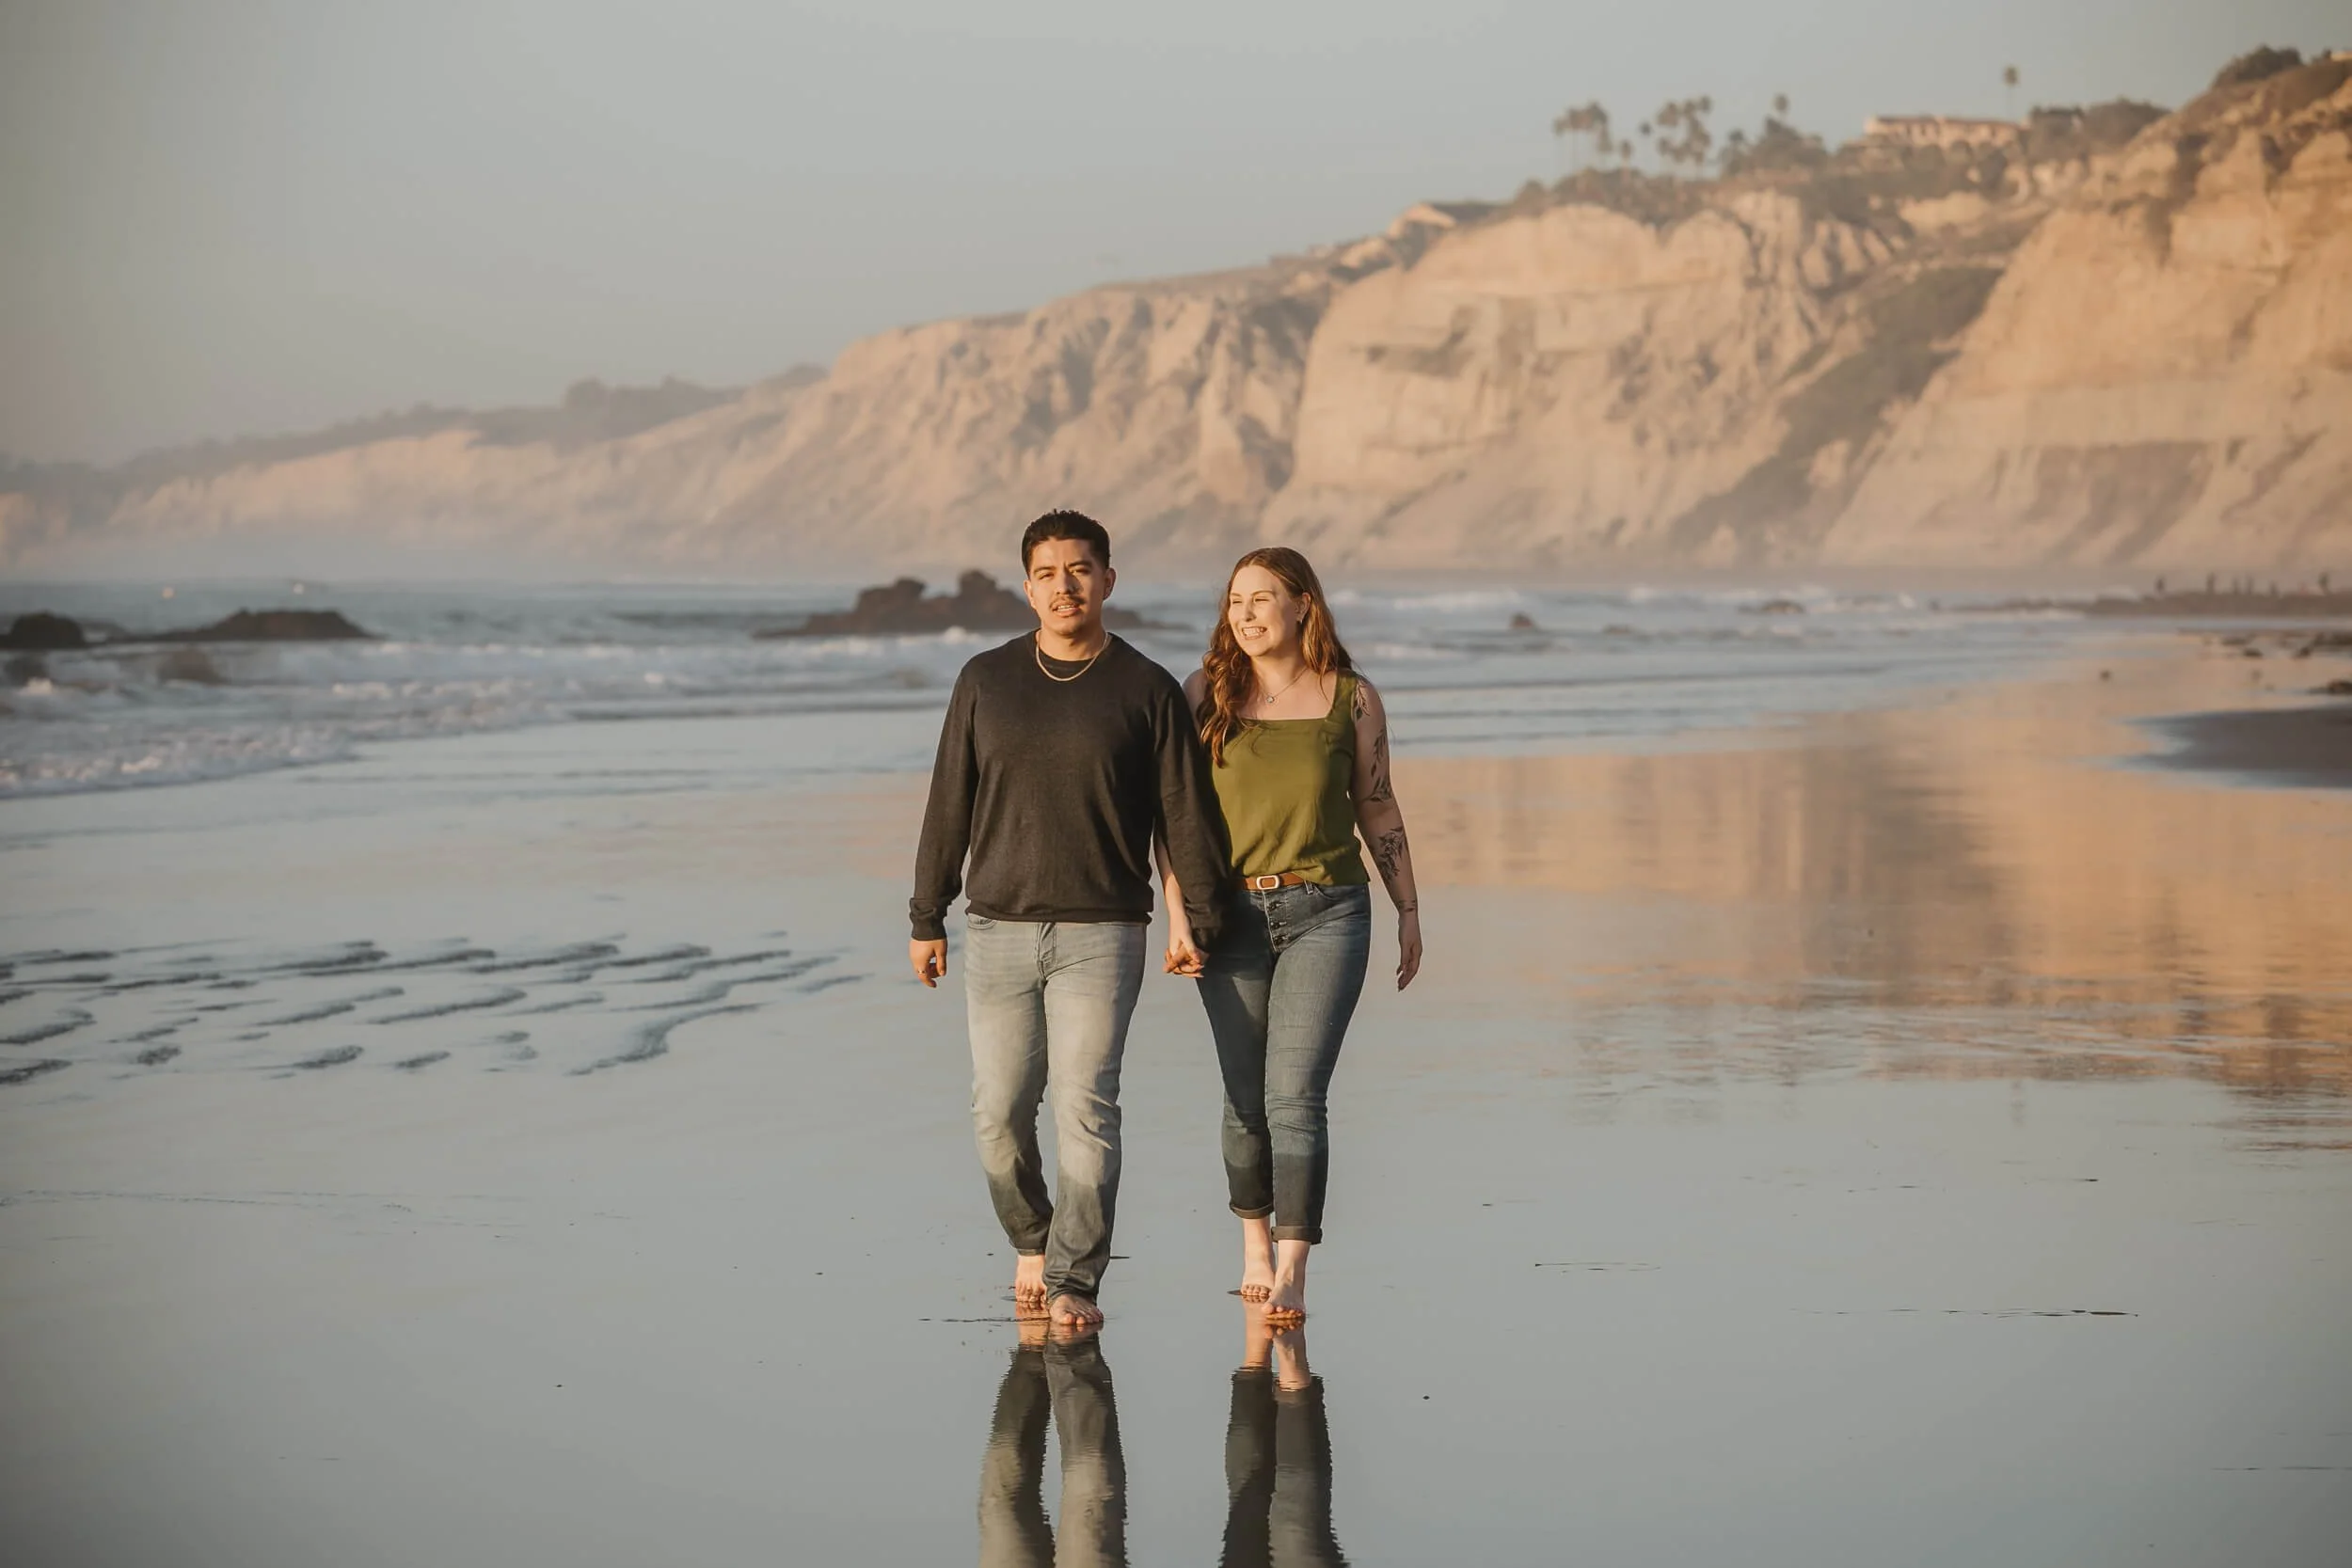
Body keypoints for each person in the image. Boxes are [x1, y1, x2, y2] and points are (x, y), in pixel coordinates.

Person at [911, 509, 1231, 1328]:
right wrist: (926, 913)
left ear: (1109, 580)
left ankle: (1076, 1280)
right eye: (1049, 572)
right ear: (1028, 587)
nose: (1065, 585)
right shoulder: (984, 680)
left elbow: (1183, 815)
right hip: (997, 929)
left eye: (1081, 569)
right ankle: (1033, 1233)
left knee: (1087, 1106)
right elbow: (951, 798)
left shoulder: (1146, 688)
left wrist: (1200, 917)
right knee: (999, 1110)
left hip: (1104, 929)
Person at [1159, 546, 1422, 1321]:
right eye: (1235, 599)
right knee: (1245, 1099)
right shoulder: (1202, 694)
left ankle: (1294, 1265)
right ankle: (1253, 1242)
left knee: (1295, 1095)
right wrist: (1176, 915)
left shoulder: (1353, 698)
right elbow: (1175, 821)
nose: (1244, 613)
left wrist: (1409, 906)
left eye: (1262, 597)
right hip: (1224, 918)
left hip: (1330, 910)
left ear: (1304, 604)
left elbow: (1378, 806)